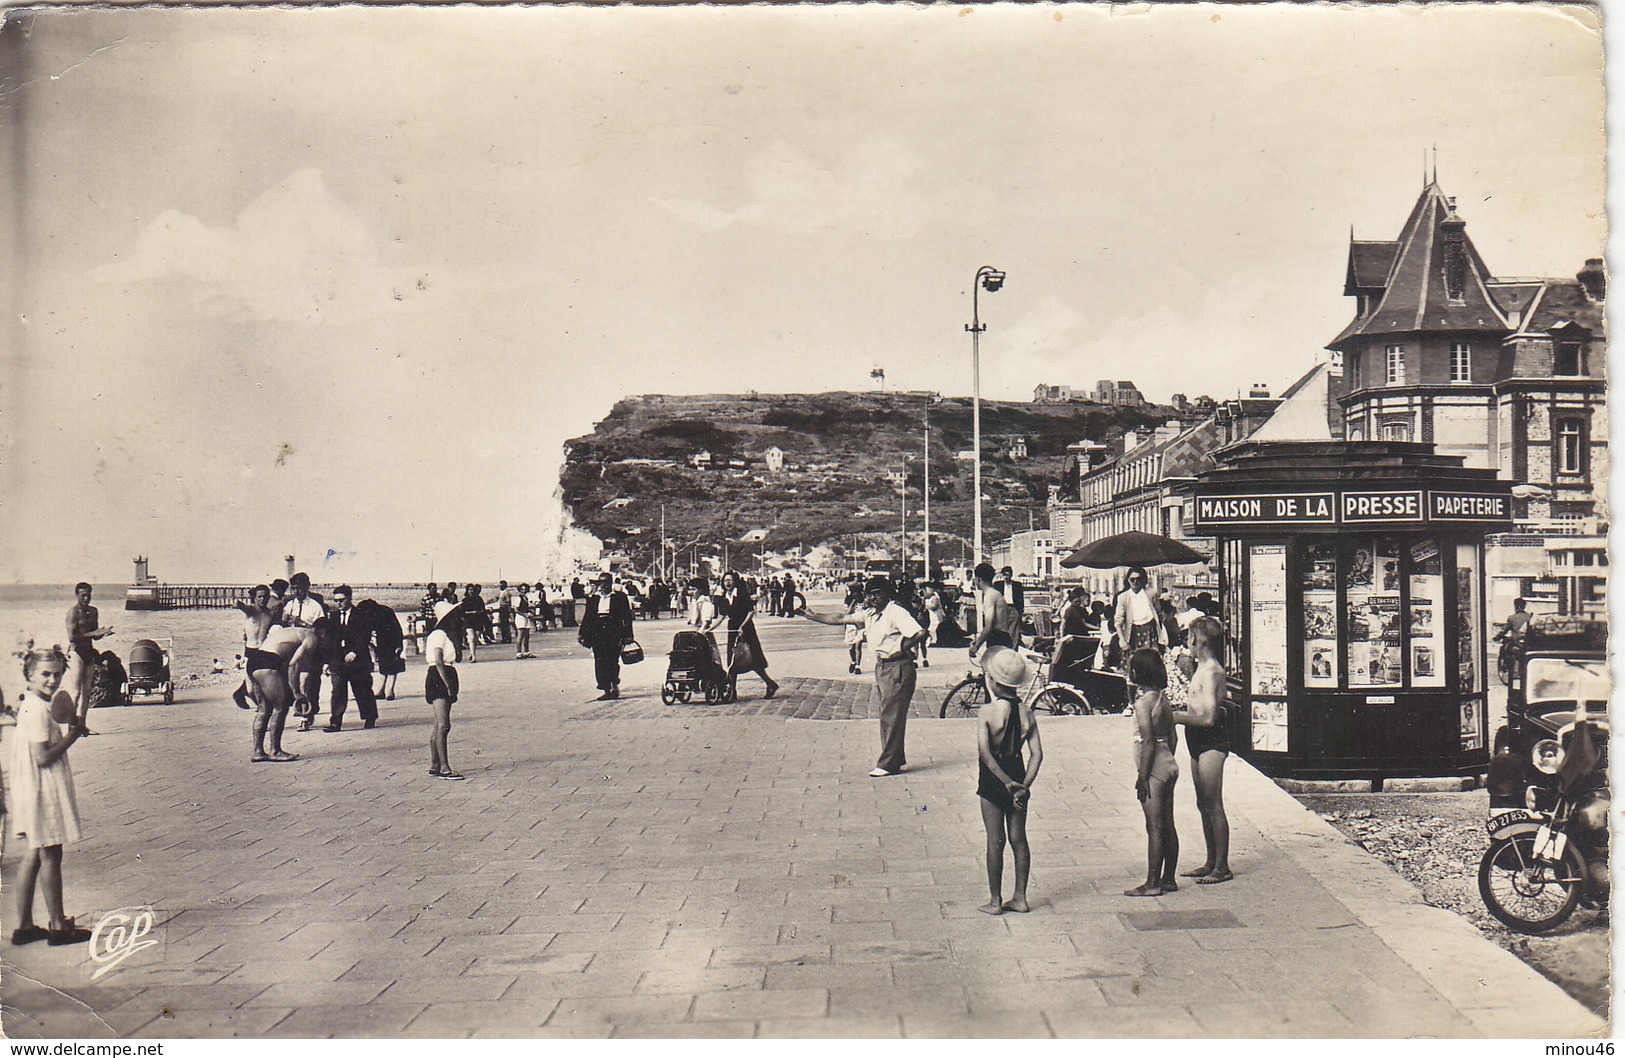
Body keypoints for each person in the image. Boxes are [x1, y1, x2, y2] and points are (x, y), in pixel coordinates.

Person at [9, 647, 92, 946]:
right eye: (45, 674)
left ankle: (24, 926)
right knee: (51, 852)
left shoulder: (34, 703)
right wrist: (73, 734)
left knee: (34, 851)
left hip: (31, 787)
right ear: (29, 676)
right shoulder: (35, 711)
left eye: (57, 674)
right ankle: (57, 925)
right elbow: (42, 757)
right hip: (40, 788)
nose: (52, 680)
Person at [803, 577, 924, 777]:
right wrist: (814, 616)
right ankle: (896, 758)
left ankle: (887, 764)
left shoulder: (896, 612)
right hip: (883, 667)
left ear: (888, 593)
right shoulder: (871, 614)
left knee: (891, 716)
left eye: (877, 592)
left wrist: (902, 647)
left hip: (898, 666)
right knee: (889, 715)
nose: (873, 597)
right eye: (870, 594)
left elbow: (920, 632)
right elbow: (842, 618)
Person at [976, 647, 1044, 916]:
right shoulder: (1028, 713)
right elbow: (1037, 755)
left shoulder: (987, 712)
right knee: (1019, 838)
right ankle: (1020, 897)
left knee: (995, 840)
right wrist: (1022, 785)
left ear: (993, 681)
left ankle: (995, 900)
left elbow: (985, 753)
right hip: (1018, 771)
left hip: (993, 778)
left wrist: (1004, 783)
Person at [1173, 616, 1233, 885]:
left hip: (1211, 741)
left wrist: (1173, 717)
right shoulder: (1201, 668)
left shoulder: (1212, 672)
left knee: (1213, 803)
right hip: (1197, 740)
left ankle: (1222, 866)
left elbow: (1208, 718)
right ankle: (1211, 861)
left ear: (1198, 640)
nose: (1188, 643)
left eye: (1189, 638)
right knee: (1202, 804)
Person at [1125, 649, 1179, 897]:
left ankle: (1152, 883)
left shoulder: (1142, 704)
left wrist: (1143, 776)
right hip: (1168, 763)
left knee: (1154, 827)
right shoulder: (1163, 700)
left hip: (1153, 768)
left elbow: (1147, 741)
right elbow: (1173, 737)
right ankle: (1169, 878)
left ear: (1136, 673)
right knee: (1168, 823)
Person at [717, 571, 779, 700]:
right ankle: (732, 693)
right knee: (732, 660)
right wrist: (708, 629)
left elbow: (750, 611)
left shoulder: (742, 594)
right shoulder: (723, 597)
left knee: (753, 660)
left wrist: (742, 627)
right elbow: (722, 616)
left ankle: (770, 684)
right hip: (732, 630)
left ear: (734, 581)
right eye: (725, 581)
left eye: (730, 580)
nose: (727, 583)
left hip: (746, 629)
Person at [323, 586, 378, 732]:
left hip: (358, 660)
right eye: (336, 600)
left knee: (363, 689)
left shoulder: (361, 615)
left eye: (341, 600)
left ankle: (369, 718)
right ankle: (335, 722)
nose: (338, 603)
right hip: (338, 661)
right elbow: (329, 640)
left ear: (349, 599)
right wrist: (327, 662)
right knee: (337, 691)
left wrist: (355, 652)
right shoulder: (333, 616)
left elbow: (365, 635)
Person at [422, 602, 464, 780]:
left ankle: (435, 764)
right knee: (443, 725)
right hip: (440, 675)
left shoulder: (445, 635)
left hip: (444, 673)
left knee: (438, 724)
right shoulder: (439, 634)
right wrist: (448, 685)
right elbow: (438, 660)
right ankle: (445, 768)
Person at [579, 572, 635, 701]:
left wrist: (628, 635)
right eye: (601, 582)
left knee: (613, 660)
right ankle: (605, 689)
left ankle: (614, 686)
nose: (603, 585)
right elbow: (587, 617)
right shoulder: (593, 598)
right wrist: (582, 633)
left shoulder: (619, 597)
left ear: (611, 583)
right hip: (598, 632)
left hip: (614, 631)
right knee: (599, 660)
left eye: (606, 582)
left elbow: (627, 617)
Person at [65, 582, 112, 732]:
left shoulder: (93, 611)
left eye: (88, 595)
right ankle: (71, 726)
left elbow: (95, 635)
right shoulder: (73, 612)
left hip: (88, 652)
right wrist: (93, 634)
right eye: (82, 595)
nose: (86, 598)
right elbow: (72, 637)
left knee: (87, 692)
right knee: (76, 692)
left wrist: (102, 633)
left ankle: (82, 725)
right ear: (77, 595)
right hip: (76, 652)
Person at [280, 573, 328, 715]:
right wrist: (285, 622)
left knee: (309, 679)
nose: (296, 592)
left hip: (310, 647)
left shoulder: (315, 606)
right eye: (293, 589)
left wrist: (302, 623)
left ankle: (311, 705)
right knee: (293, 677)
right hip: (293, 647)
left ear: (307, 587)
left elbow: (321, 629)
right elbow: (283, 626)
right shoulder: (290, 605)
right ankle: (300, 704)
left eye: (300, 589)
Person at [1114, 566, 1169, 660]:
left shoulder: (1151, 593)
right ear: (1128, 580)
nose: (1135, 582)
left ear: (1143, 580)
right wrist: (1122, 640)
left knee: (1151, 662)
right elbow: (1118, 621)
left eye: (1138, 579)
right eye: (1132, 579)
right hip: (1133, 633)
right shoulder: (1123, 597)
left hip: (1150, 632)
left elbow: (1159, 614)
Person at [512, 585, 534, 659]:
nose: (523, 591)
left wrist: (530, 611)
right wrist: (524, 614)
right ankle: (518, 653)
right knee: (520, 635)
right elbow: (516, 610)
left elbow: (525, 608)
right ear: (520, 590)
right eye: (522, 589)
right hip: (520, 617)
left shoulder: (526, 598)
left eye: (525, 589)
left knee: (527, 635)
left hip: (526, 617)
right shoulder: (518, 598)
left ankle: (527, 652)